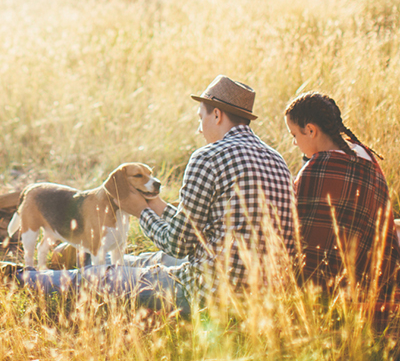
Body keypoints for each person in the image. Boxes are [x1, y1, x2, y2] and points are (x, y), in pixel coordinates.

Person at [1, 75, 295, 314]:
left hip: (206, 293)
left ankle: (24, 278)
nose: (199, 128)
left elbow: (179, 245)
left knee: (105, 278)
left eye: (200, 117)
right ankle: (77, 259)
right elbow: (199, 232)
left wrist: (140, 211)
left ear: (217, 114)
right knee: (141, 259)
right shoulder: (276, 159)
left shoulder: (208, 158)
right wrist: (158, 206)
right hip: (262, 293)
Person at [285, 91, 400, 297]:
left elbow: (300, 235)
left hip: (329, 299)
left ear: (310, 130)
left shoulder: (316, 169)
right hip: (381, 291)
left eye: (294, 135)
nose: (294, 143)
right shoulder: (368, 160)